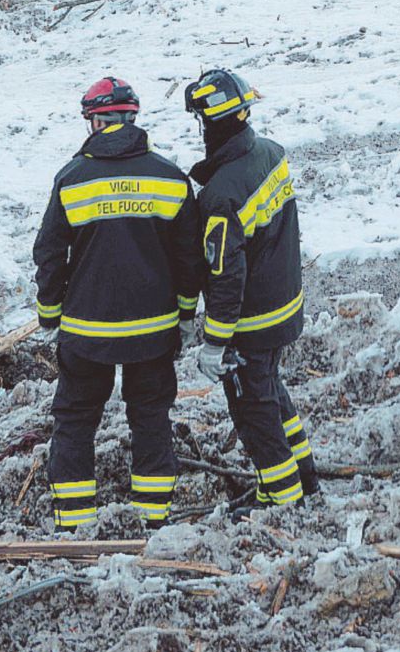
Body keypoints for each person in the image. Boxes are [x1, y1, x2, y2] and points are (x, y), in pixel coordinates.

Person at [33, 76, 202, 531]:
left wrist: (50, 313)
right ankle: (151, 520)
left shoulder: (72, 179)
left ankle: (73, 521)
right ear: (133, 118)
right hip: (154, 330)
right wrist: (186, 314)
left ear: (93, 121)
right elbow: (190, 258)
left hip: (87, 332)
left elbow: (50, 253)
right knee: (150, 417)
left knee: (75, 419)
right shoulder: (168, 177)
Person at [185, 69, 318, 514]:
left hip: (253, 324)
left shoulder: (221, 196)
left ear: (209, 123)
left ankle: (281, 500)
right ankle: (305, 476)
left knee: (253, 414)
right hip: (285, 308)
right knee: (272, 392)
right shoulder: (270, 154)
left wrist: (215, 342)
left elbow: (226, 277)